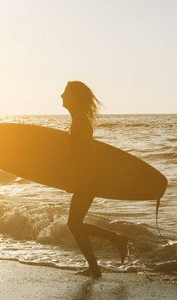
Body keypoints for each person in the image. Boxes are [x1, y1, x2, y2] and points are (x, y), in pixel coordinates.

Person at [61, 81, 128, 278]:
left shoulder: (80, 122)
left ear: (75, 97)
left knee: (74, 224)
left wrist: (79, 180)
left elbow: (87, 157)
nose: (61, 95)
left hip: (88, 178)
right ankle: (110, 247)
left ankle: (99, 263)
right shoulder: (79, 120)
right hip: (88, 177)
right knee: (75, 223)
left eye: (66, 92)